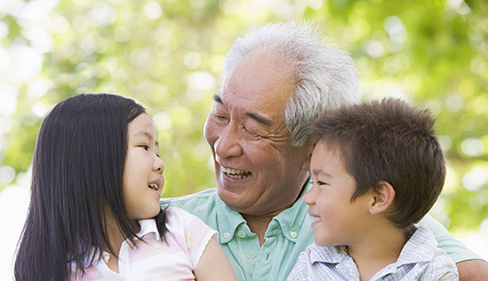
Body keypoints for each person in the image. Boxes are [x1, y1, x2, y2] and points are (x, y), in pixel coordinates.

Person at [162, 22, 488, 281]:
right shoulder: (163, 221)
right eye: (220, 115)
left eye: (254, 128)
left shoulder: (356, 215)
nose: (222, 146)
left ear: (313, 147)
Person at [13, 93, 237, 281]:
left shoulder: (181, 229)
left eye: (156, 150)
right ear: (94, 160)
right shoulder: (55, 270)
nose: (160, 164)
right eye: (144, 146)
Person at [287, 98, 458, 280]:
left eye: (321, 183)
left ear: (377, 198)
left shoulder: (435, 271)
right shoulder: (311, 264)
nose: (308, 198)